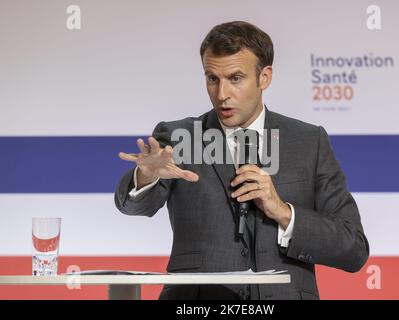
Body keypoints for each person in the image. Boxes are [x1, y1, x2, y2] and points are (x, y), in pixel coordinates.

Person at [115, 21, 369, 300]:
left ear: (265, 77)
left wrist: (283, 211)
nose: (222, 94)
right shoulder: (179, 137)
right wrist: (146, 177)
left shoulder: (309, 141)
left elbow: (353, 248)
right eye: (212, 78)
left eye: (235, 78)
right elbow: (132, 206)